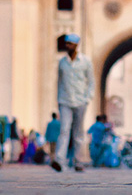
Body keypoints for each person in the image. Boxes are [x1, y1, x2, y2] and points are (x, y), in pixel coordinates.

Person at [52, 33, 93, 172]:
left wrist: (88, 98)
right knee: (64, 130)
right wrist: (58, 98)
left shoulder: (86, 61)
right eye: (66, 43)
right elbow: (59, 81)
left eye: (69, 43)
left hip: (80, 101)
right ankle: (59, 160)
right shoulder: (62, 62)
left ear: (76, 45)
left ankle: (78, 161)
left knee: (78, 133)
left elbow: (91, 81)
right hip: (65, 101)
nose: (67, 46)